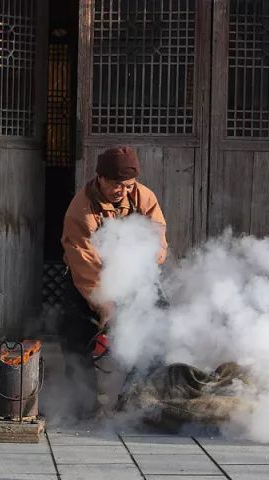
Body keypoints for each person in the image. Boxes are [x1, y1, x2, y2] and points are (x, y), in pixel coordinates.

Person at [60, 146, 168, 415]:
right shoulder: (81, 209)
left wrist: (138, 275)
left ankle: (141, 397)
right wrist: (104, 302)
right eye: (116, 185)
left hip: (133, 273)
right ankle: (82, 402)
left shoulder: (144, 197)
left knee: (160, 322)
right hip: (89, 276)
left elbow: (157, 240)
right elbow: (84, 261)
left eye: (128, 185)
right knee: (74, 332)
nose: (122, 191)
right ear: (100, 178)